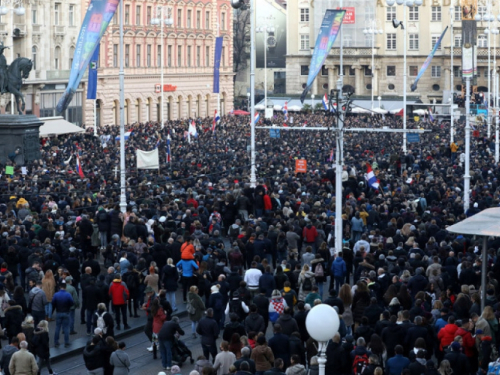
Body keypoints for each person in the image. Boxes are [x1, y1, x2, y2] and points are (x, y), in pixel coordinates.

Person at [51, 281, 74, 348]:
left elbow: (53, 303)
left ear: (59, 287)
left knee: (58, 327)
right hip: (66, 312)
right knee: (66, 328)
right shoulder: (68, 294)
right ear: (65, 287)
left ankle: (56, 342)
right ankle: (66, 342)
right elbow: (72, 303)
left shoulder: (56, 294)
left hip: (58, 312)